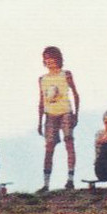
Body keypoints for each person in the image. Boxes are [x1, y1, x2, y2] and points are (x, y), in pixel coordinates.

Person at [37, 45, 81, 191]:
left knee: (69, 143)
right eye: (46, 59)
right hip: (50, 114)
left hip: (65, 112)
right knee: (49, 147)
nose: (49, 61)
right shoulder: (42, 79)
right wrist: (39, 121)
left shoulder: (65, 74)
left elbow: (75, 94)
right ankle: (46, 183)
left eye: (52, 58)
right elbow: (41, 100)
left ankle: (70, 179)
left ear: (58, 59)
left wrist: (76, 114)